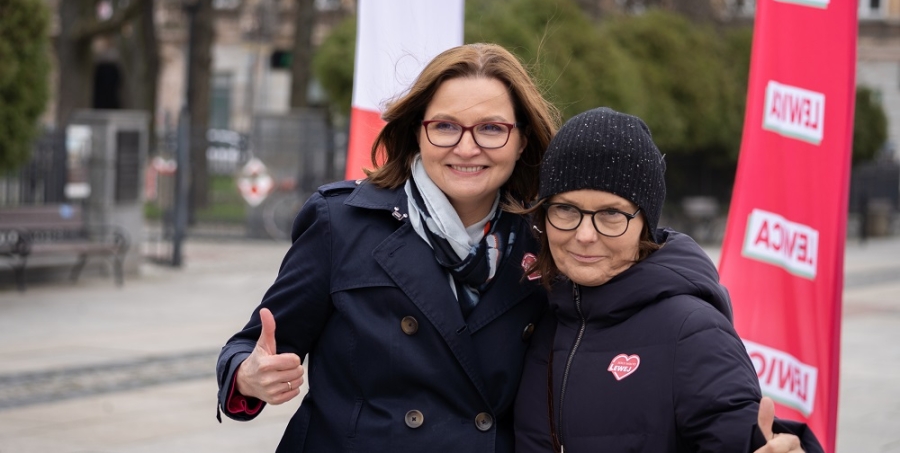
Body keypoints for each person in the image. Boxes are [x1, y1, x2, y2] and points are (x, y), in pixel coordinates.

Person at [216, 43, 560, 452]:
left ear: (521, 140)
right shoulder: (342, 222)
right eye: (445, 126)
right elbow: (249, 346)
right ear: (418, 131)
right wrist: (247, 376)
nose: (467, 148)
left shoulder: (547, 239)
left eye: (491, 128)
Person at [513, 107, 823, 453]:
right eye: (566, 209)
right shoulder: (537, 312)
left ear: (645, 224)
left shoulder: (692, 330)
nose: (585, 234)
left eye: (611, 213)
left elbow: (739, 431)